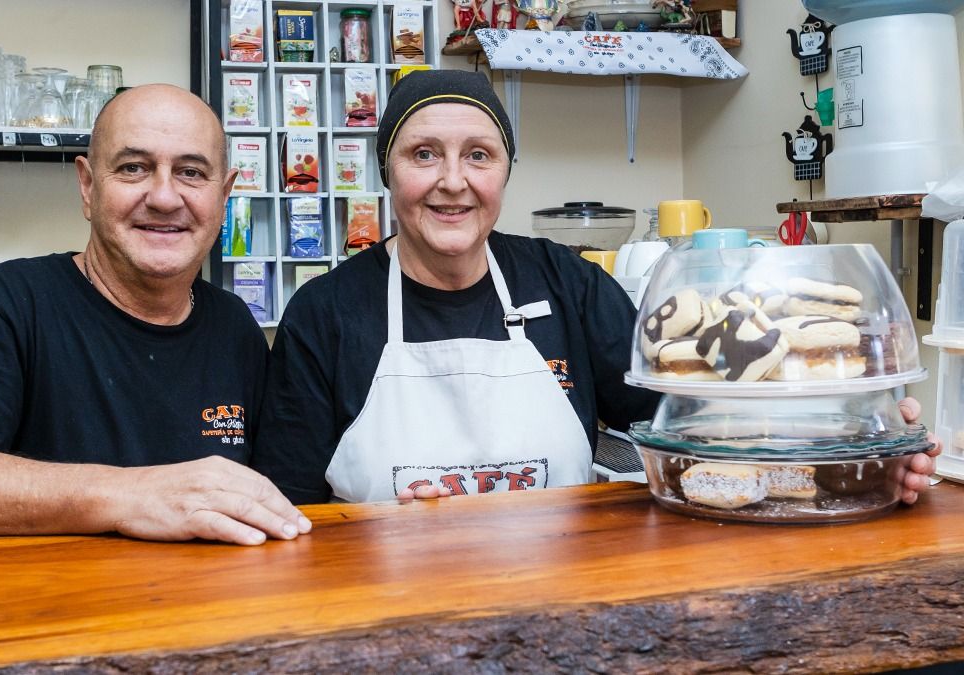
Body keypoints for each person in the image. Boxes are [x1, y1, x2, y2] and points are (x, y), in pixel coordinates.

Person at [250, 69, 942, 506]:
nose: (452, 180)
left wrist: (857, 446)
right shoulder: (327, 313)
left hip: (567, 610)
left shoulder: (564, 282)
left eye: (479, 156)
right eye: (422, 154)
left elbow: (693, 420)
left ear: (505, 173)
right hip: (388, 616)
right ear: (389, 172)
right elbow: (289, 509)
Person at [0, 84, 311, 546]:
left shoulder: (234, 327)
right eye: (134, 168)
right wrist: (131, 494)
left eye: (192, 172)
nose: (164, 197)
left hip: (197, 610)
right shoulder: (8, 304)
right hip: (51, 611)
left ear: (225, 195)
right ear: (88, 186)